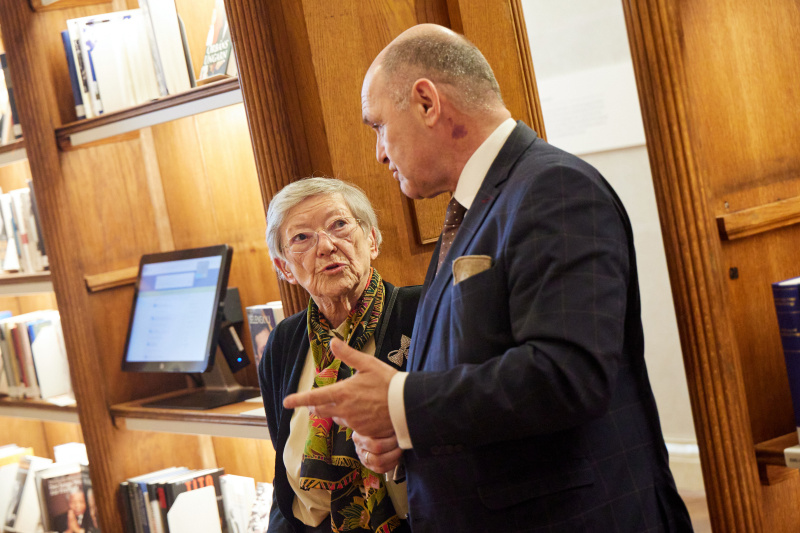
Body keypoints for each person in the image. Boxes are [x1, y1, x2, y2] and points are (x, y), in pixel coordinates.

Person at [284, 23, 694, 532]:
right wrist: (407, 434)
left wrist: (400, 403)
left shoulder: (554, 188)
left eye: (379, 127)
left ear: (427, 103)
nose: (379, 153)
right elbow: (476, 371)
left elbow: (568, 375)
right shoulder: (472, 207)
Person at [259, 177, 420, 532]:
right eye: (302, 237)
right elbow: (284, 487)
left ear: (372, 240)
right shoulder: (284, 341)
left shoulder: (423, 311)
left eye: (340, 225)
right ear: (284, 267)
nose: (327, 245)